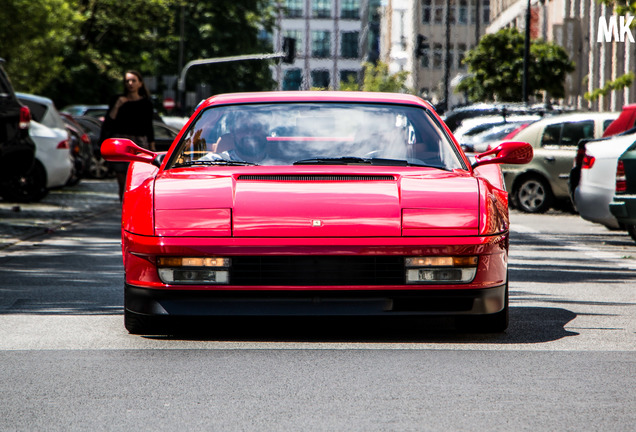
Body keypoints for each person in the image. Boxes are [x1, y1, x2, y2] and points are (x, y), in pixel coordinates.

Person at [101, 70, 155, 201]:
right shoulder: (117, 99)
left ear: (140, 83)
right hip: (120, 142)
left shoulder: (146, 103)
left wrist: (152, 148)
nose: (130, 83)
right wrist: (118, 105)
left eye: (133, 80)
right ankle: (124, 207)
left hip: (139, 143)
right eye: (127, 81)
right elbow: (109, 121)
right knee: (122, 181)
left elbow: (149, 126)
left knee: (139, 179)